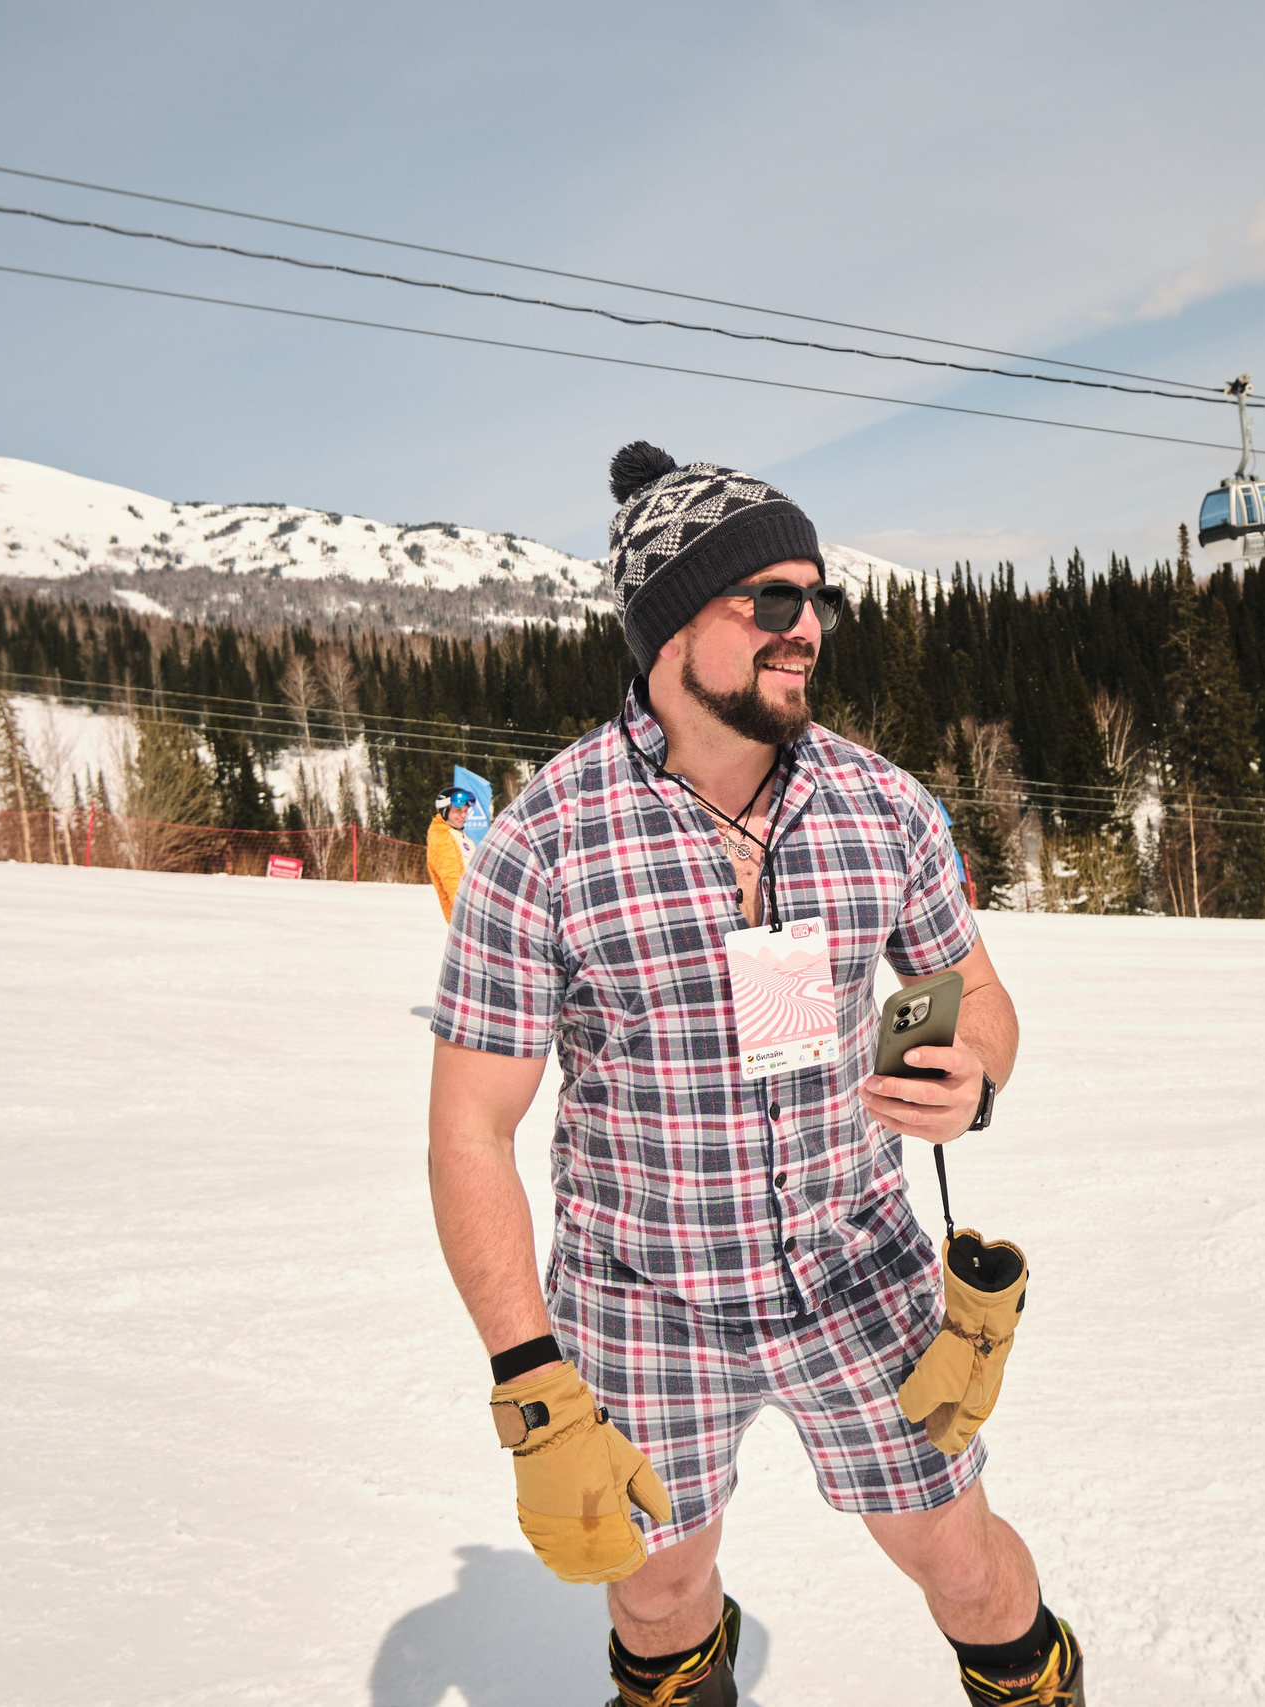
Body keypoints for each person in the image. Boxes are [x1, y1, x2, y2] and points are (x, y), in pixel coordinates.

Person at [426, 441, 1082, 1707]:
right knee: (659, 1590)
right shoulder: (546, 840)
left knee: (969, 1574)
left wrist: (972, 1075)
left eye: (817, 598)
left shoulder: (880, 808)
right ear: (669, 626)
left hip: (856, 1265)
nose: (807, 630)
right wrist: (529, 1379)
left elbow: (980, 994)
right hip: (643, 1290)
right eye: (768, 601)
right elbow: (470, 1128)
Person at [427, 787, 475, 922]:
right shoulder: (441, 836)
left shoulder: (455, 832)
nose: (463, 815)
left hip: (474, 907)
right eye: (457, 811)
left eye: (465, 810)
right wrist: (466, 915)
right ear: (444, 811)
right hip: (466, 916)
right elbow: (451, 878)